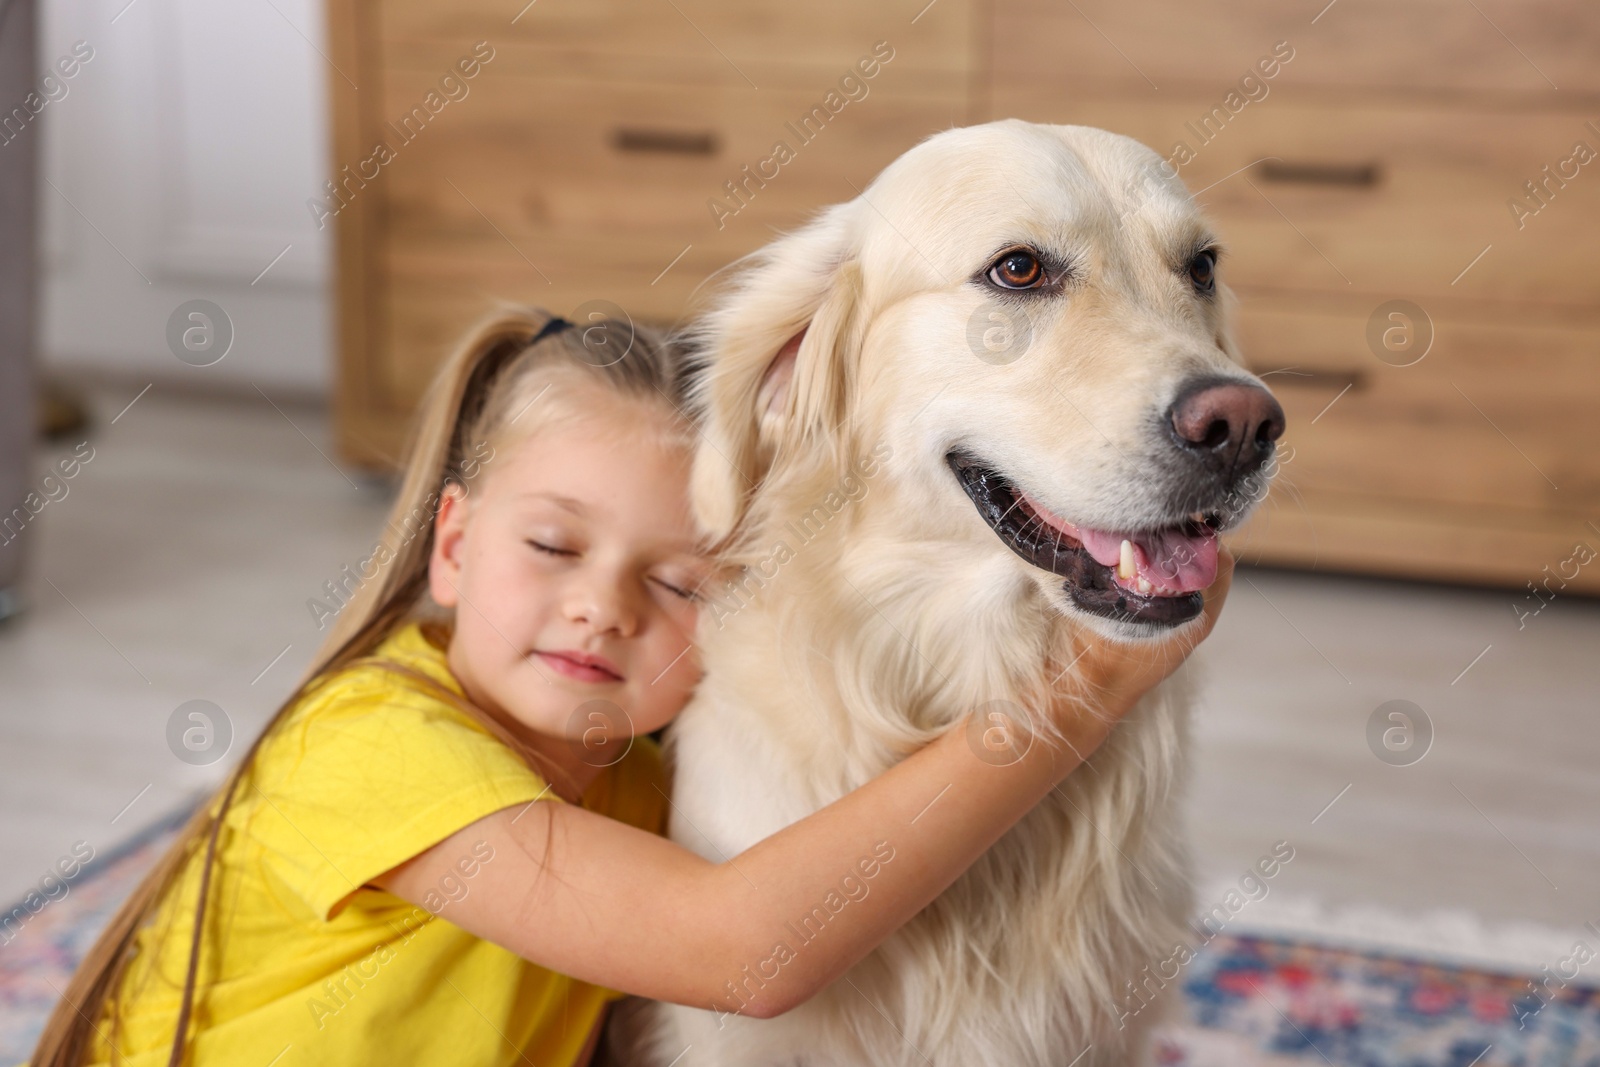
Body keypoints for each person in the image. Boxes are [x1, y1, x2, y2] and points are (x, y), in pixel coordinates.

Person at [32, 308, 1234, 1067]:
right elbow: (747, 953)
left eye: (679, 582)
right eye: (551, 547)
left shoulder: (649, 773)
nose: (604, 606)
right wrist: (1087, 683)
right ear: (452, 544)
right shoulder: (366, 740)